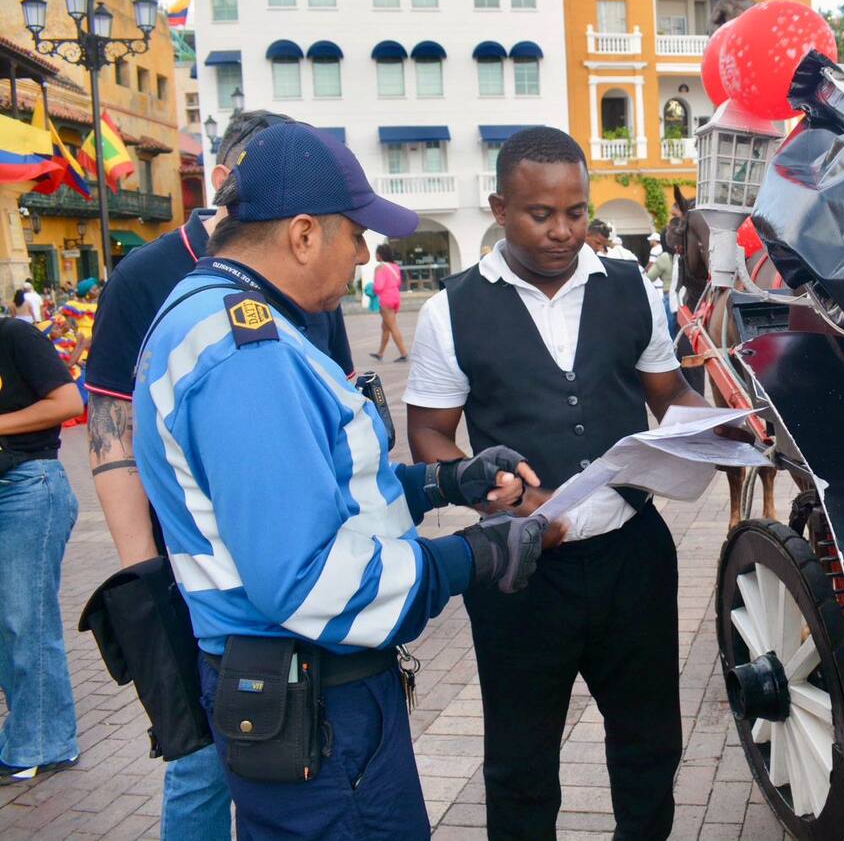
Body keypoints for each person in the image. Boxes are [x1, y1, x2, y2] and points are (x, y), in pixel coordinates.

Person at [132, 121, 555, 840]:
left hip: (299, 695)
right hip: (319, 705)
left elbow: (319, 484)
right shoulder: (246, 352)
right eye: (355, 235)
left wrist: (442, 483)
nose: (364, 255)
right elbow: (308, 576)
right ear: (302, 234)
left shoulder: (221, 316)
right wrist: (476, 556)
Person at [405, 127, 748, 840]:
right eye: (541, 214)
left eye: (577, 212)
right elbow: (430, 435)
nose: (564, 232)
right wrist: (488, 487)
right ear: (500, 207)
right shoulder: (452, 310)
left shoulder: (631, 287)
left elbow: (666, 392)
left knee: (650, 747)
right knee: (522, 765)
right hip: (520, 570)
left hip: (633, 555)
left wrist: (713, 427)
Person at [84, 110, 359, 841]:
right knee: (201, 764)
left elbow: (341, 399)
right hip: (190, 570)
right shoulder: (147, 276)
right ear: (225, 173)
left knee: (297, 748)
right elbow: (111, 437)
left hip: (296, 564)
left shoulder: (306, 277)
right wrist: (149, 583)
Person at [0, 314, 85, 783]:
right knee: (7, 625)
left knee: (25, 618)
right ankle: (26, 733)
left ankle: (46, 743)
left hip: (26, 485)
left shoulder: (13, 334)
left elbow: (69, 400)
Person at [369, 243, 409, 362]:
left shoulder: (380, 268)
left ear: (380, 255)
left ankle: (404, 353)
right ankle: (380, 353)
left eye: (376, 253)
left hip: (385, 300)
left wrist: (372, 288)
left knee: (392, 326)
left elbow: (378, 287)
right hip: (395, 297)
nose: (375, 255)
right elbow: (398, 282)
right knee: (385, 327)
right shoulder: (395, 267)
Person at [645, 232, 675, 335]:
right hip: (684, 297)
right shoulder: (681, 255)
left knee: (670, 330)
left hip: (669, 296)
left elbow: (650, 277)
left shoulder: (664, 257)